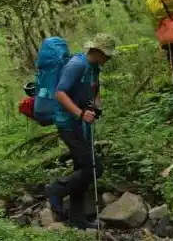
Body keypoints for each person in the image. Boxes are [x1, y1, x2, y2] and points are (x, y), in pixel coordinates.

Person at [45, 33, 116, 230]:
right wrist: (80, 114)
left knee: (82, 170)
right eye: (107, 54)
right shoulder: (76, 65)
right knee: (94, 168)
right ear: (96, 51)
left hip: (80, 125)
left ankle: (77, 220)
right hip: (68, 124)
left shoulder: (94, 68)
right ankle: (56, 189)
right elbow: (60, 93)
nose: (108, 59)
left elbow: (94, 91)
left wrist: (96, 107)